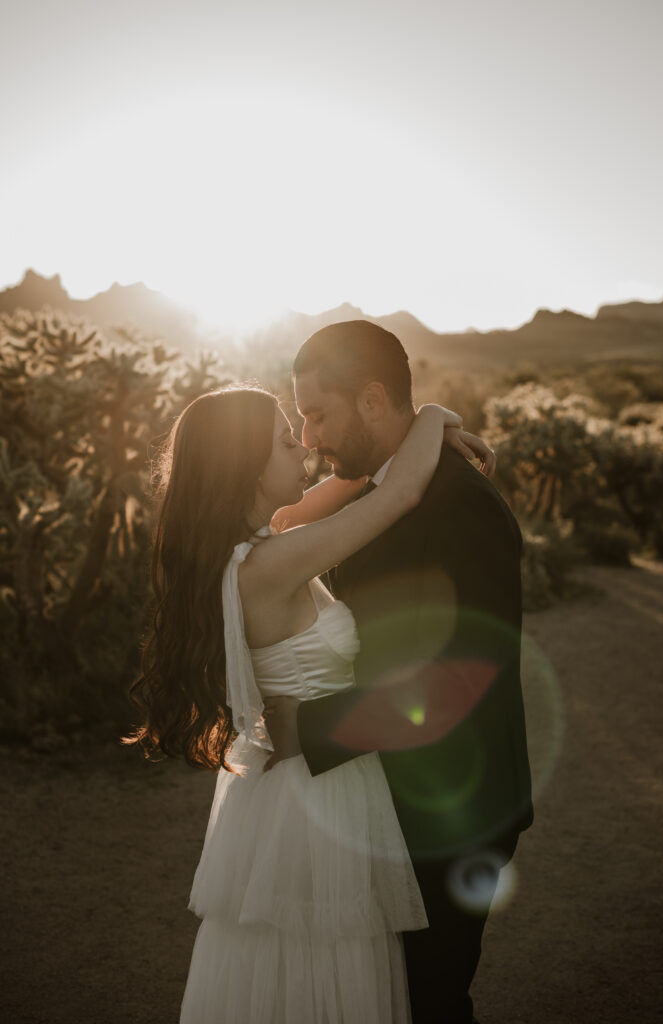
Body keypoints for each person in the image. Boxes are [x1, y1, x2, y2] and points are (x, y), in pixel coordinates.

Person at [123, 382, 496, 1023]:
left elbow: (359, 485)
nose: (303, 447)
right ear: (244, 467)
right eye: (284, 440)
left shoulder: (257, 547)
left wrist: (417, 438)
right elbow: (398, 495)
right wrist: (431, 415)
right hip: (319, 790)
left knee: (295, 971)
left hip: (298, 780)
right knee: (325, 969)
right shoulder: (273, 562)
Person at [265, 320, 534, 1024]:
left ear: (374, 401)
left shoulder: (462, 507)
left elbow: (458, 679)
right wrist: (438, 420)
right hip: (384, 803)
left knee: (429, 1004)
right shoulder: (376, 492)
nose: (310, 436)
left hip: (449, 816)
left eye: (317, 414)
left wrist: (309, 728)